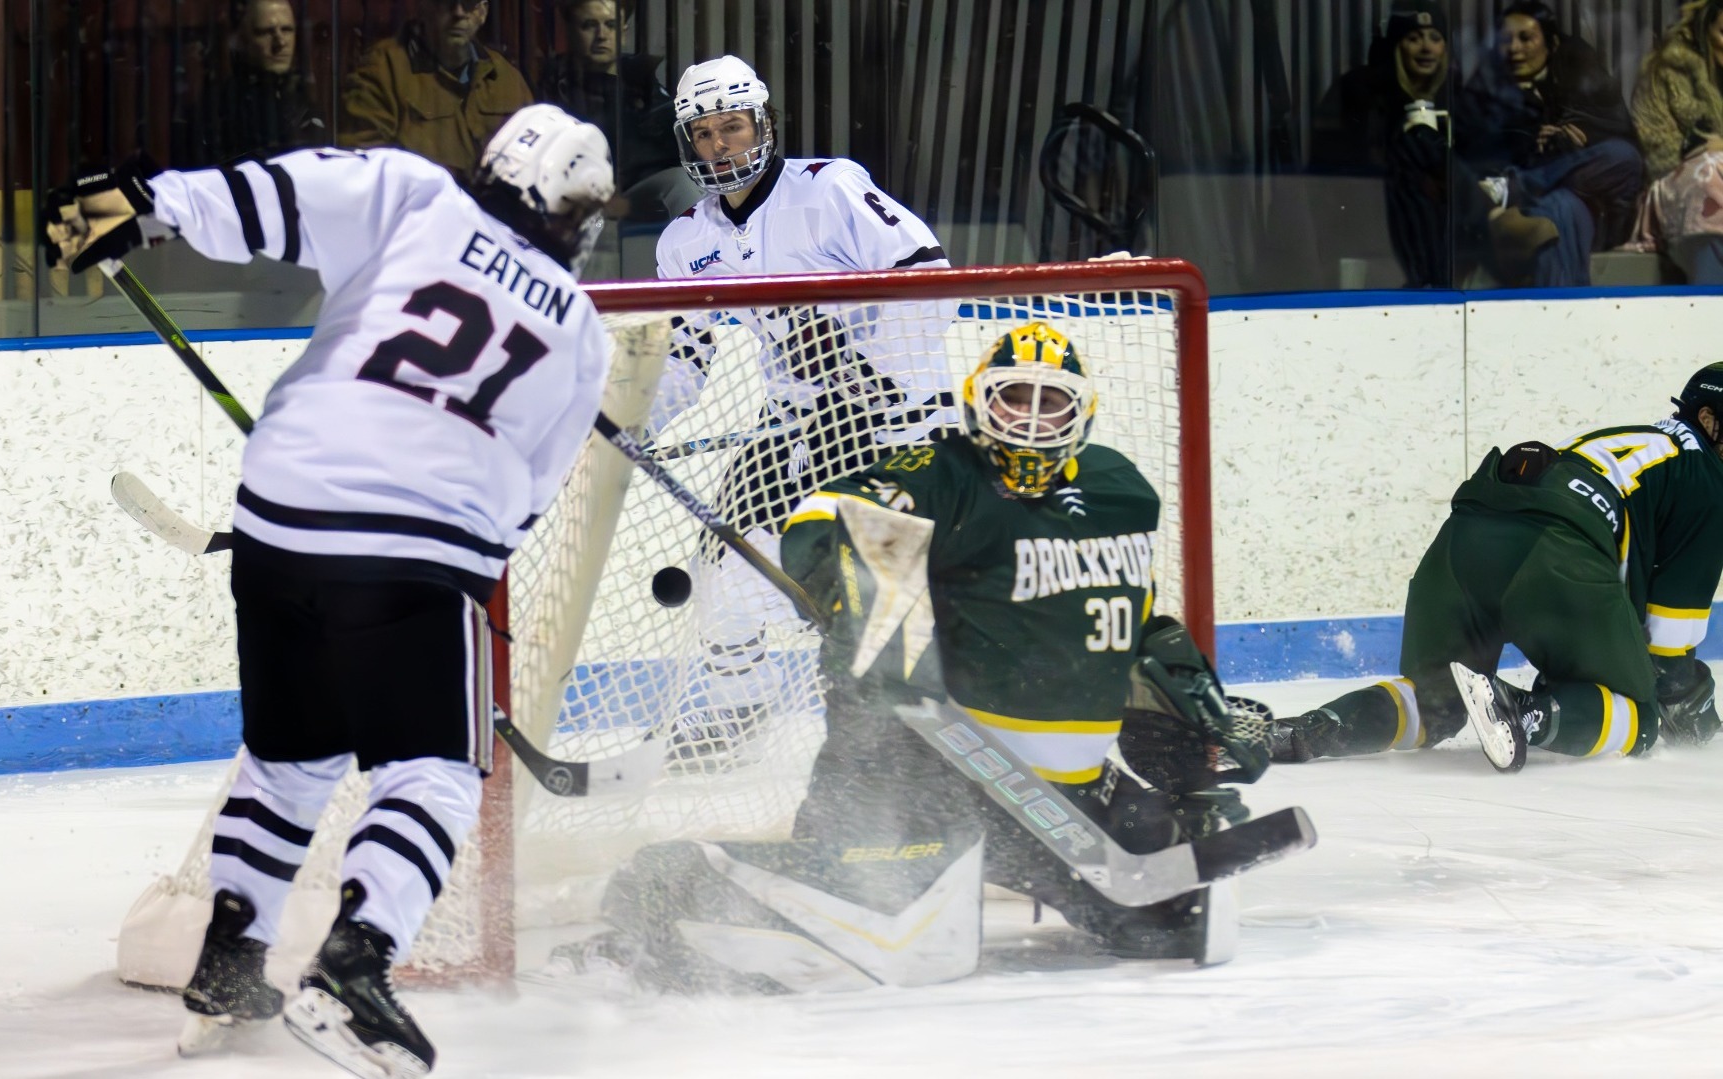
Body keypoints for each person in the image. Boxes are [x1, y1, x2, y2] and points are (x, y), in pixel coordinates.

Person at [43, 104, 615, 1075]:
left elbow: (282, 195)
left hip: (279, 512)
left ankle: (231, 958)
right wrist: (453, 588)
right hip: (415, 547)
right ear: (579, 214)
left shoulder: (415, 196)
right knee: (432, 766)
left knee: (289, 755)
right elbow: (525, 495)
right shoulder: (577, 328)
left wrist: (151, 202)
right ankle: (356, 964)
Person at [542, 323, 1266, 992]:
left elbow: (1121, 607)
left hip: (1055, 799)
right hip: (928, 771)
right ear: (980, 398)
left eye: (1053, 401)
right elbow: (824, 516)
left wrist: (1172, 671)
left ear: (1084, 409)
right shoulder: (940, 470)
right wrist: (854, 585)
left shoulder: (1119, 489)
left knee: (1171, 917)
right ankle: (657, 897)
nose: (1032, 416)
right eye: (1015, 396)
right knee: (878, 921)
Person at [648, 54, 955, 767]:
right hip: (796, 426)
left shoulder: (829, 191)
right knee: (726, 574)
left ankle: (912, 744)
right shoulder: (687, 242)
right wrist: (633, 424)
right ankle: (737, 717)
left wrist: (865, 371)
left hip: (894, 425)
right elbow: (680, 360)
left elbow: (931, 280)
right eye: (706, 133)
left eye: (735, 125)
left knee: (886, 601)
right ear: (687, 143)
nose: (722, 143)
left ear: (765, 124)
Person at [1272, 363, 1723, 771]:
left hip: (1467, 536)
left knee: (1438, 702)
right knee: (1637, 717)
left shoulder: (1639, 444)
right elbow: (1667, 651)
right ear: (1707, 419)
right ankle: (1525, 711)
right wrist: (1687, 711)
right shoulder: (1704, 479)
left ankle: (1313, 729)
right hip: (1555, 554)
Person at [1458, 1, 1646, 287]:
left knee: (1624, 157)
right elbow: (1473, 155)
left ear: (1551, 43)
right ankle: (1568, 319)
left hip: (1576, 189)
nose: (1515, 50)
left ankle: (1519, 184)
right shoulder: (1486, 89)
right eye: (1506, 40)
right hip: (1521, 210)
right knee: (1562, 208)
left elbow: (1619, 140)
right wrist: (1532, 143)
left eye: (1526, 39)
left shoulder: (1577, 76)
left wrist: (1579, 138)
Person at [1309, 0, 1465, 288]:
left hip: (1446, 239)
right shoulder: (1358, 93)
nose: (1426, 48)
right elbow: (1337, 180)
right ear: (1396, 45)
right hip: (1371, 229)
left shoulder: (1458, 97)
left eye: (1435, 38)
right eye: (1414, 38)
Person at [338, 0, 534, 182]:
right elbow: (362, 169)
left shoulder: (505, 77)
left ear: (482, 12)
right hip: (418, 213)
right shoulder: (383, 70)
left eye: (468, 4)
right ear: (424, 7)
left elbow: (535, 157)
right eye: (446, 2)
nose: (458, 13)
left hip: (493, 216)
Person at [540, 0, 697, 221]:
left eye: (611, 25)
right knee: (684, 185)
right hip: (594, 202)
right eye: (589, 25)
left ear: (623, 32)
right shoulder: (557, 86)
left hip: (647, 192)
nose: (601, 35)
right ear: (571, 32)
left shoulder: (643, 81)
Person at [1629, 0, 1723, 284]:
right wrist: (1704, 146)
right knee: (1708, 179)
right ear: (1705, 31)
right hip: (1681, 176)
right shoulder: (1669, 69)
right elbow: (1659, 148)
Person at [183, 0, 326, 167]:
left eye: (287, 30)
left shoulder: (305, 106)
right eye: (265, 32)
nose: (280, 43)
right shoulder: (219, 113)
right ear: (241, 40)